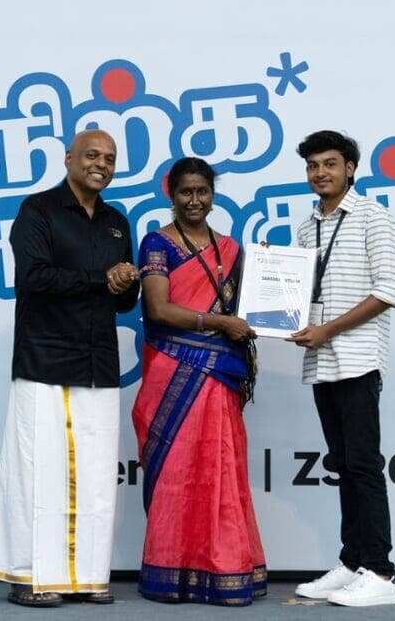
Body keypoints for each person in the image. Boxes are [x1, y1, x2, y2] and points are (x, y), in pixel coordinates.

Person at [0, 130, 141, 608]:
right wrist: (101, 279)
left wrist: (125, 282)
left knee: (97, 475)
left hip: (98, 361)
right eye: (92, 155)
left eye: (109, 159)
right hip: (45, 357)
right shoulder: (38, 210)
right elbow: (33, 278)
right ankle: (29, 576)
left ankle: (87, 577)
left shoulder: (117, 221)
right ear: (69, 158)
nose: (101, 164)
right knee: (37, 472)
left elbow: (123, 302)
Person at [132, 157, 268, 606]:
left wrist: (273, 275)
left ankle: (225, 568)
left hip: (220, 373)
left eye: (202, 192)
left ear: (213, 195)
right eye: (185, 192)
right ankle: (171, 570)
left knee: (220, 467)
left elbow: (249, 305)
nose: (194, 200)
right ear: (171, 195)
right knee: (176, 470)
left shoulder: (230, 248)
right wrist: (219, 323)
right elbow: (158, 309)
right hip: (172, 369)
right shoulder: (156, 244)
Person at [287, 130, 395, 607]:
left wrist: (328, 329)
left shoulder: (375, 218)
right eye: (313, 165)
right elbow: (302, 294)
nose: (320, 173)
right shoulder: (306, 228)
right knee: (343, 464)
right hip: (322, 363)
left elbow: (388, 290)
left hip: (358, 360)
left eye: (330, 164)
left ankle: (381, 572)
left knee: (363, 465)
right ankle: (354, 561)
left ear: (351, 168)